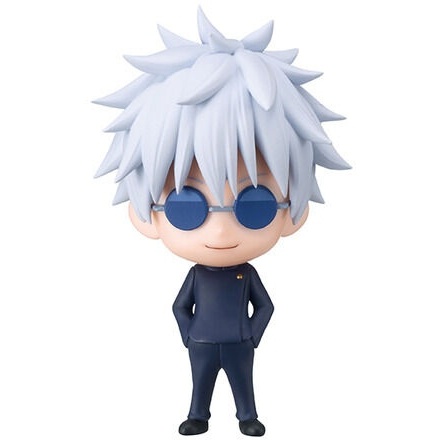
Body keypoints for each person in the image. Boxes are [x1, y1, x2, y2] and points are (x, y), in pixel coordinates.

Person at [95, 7, 350, 436]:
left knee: (243, 384)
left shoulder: (244, 274)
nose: (220, 230)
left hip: (238, 343)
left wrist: (251, 335)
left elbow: (266, 306)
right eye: (186, 206)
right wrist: (189, 334)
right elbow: (179, 306)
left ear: (294, 213)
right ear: (144, 215)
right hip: (201, 343)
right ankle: (199, 416)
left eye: (255, 205)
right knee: (200, 385)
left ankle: (247, 417)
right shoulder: (198, 275)